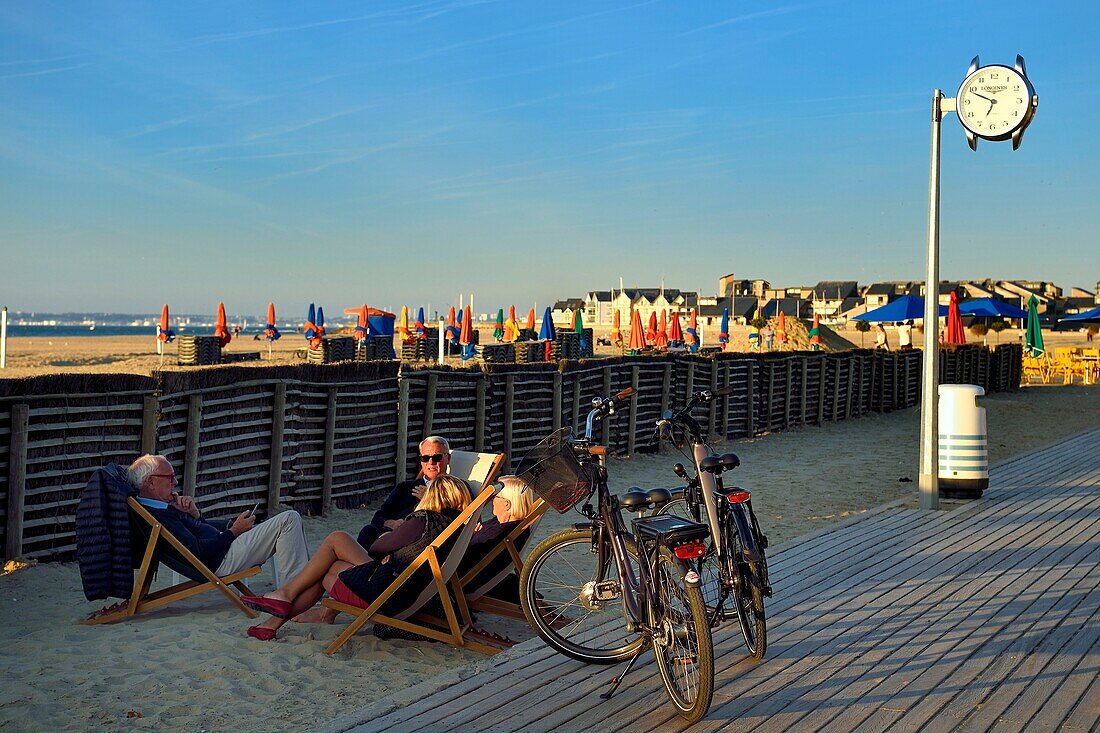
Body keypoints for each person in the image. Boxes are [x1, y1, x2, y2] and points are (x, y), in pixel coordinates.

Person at [241, 474, 470, 640]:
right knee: (330, 561)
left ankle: (283, 598)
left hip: (387, 594)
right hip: (401, 587)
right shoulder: (454, 526)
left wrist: (392, 539)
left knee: (336, 540)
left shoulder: (424, 520)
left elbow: (377, 545)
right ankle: (275, 618)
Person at [127, 454, 309, 584]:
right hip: (221, 560)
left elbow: (197, 536)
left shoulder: (160, 508)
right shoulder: (158, 516)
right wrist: (233, 532)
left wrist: (196, 516)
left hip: (223, 551)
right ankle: (296, 590)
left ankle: (300, 586)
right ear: (150, 482)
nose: (175, 483)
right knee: (289, 519)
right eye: (170, 478)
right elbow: (198, 552)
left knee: (286, 522)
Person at [356, 436, 461, 549]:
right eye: (425, 458)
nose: (431, 462)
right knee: (368, 531)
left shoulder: (456, 488)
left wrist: (430, 498)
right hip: (389, 535)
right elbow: (379, 517)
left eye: (437, 457)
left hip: (418, 542)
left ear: (448, 458)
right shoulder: (405, 487)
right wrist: (392, 523)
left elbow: (459, 520)